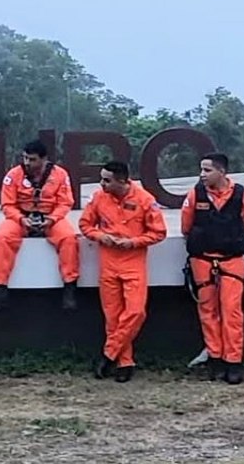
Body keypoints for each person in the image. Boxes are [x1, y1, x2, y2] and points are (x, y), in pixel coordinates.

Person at [79, 161, 167, 383]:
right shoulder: (98, 198)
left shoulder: (145, 199)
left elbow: (159, 232)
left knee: (136, 312)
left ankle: (108, 354)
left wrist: (134, 242)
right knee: (113, 318)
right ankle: (124, 362)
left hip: (133, 263)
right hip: (108, 262)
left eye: (107, 180)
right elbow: (85, 225)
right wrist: (101, 236)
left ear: (123, 180)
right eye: (102, 179)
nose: (102, 183)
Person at [181, 153, 244, 385]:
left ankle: (233, 361)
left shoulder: (241, 194)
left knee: (232, 312)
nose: (202, 175)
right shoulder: (195, 194)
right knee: (208, 312)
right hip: (202, 260)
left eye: (207, 170)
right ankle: (215, 359)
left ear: (221, 172)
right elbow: (186, 225)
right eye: (201, 170)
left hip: (231, 260)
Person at [0, 139, 79, 311]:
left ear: (44, 159)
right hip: (21, 217)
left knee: (68, 238)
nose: (27, 163)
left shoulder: (60, 175)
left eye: (32, 159)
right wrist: (21, 219)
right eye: (25, 158)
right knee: (2, 238)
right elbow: (7, 205)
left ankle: (69, 289)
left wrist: (52, 219)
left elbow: (65, 203)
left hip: (51, 217)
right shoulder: (13, 175)